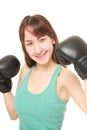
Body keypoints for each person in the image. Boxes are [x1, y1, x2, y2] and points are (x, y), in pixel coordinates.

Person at [2, 14, 87, 130]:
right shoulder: (25, 70)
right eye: (29, 43)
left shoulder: (64, 76)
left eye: (42, 40)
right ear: (24, 47)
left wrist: (85, 67)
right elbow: (14, 114)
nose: (37, 50)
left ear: (52, 38)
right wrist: (5, 87)